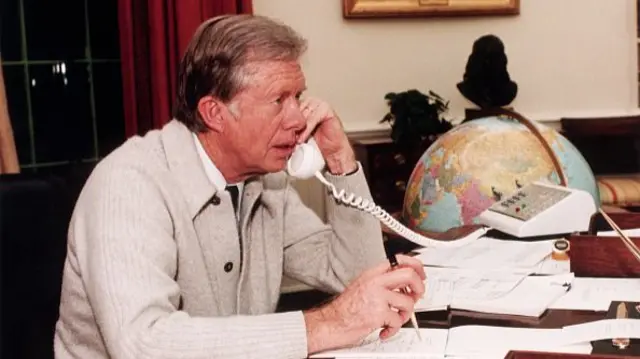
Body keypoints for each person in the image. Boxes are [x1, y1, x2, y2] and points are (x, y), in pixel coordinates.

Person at [53, 14, 426, 359]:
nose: (299, 118)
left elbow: (353, 275)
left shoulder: (266, 182)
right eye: (278, 100)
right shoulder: (129, 184)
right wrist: (327, 324)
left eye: (298, 96)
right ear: (214, 113)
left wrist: (341, 162)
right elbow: (144, 344)